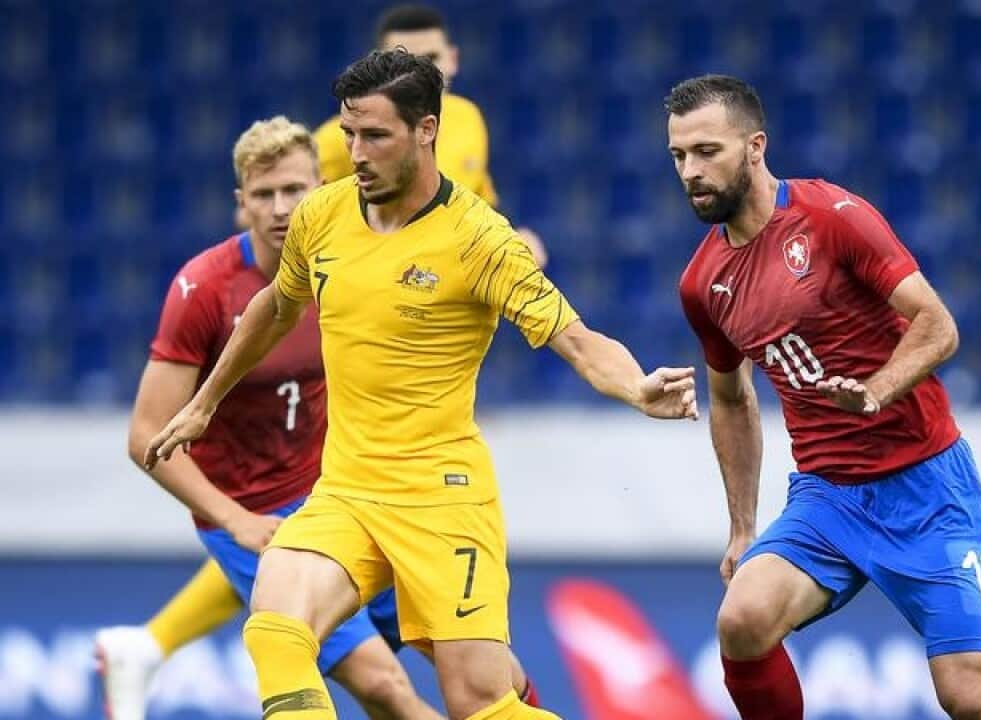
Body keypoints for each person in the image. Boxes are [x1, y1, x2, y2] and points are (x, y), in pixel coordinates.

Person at [145, 49, 697, 720]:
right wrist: (206, 404)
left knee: (481, 704)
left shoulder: (480, 240)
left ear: (426, 130)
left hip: (441, 500)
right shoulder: (323, 215)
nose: (356, 152)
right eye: (348, 134)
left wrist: (638, 388)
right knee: (276, 623)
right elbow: (275, 307)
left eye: (374, 135)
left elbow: (577, 341)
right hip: (347, 491)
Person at [668, 75, 981, 720]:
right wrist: (741, 527)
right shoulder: (703, 283)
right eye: (678, 156)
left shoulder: (832, 217)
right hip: (827, 497)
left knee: (971, 700)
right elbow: (731, 400)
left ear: (756, 146)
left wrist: (874, 393)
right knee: (743, 619)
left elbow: (938, 324)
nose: (690, 172)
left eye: (707, 152)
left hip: (926, 488)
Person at [96, 116, 444, 720]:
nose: (281, 208)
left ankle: (148, 644)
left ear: (324, 187)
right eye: (264, 195)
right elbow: (146, 436)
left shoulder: (351, 264)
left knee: (473, 657)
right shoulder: (204, 289)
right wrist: (237, 522)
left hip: (345, 497)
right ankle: (150, 644)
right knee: (384, 685)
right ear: (241, 206)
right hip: (254, 511)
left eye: (294, 190)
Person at [312, 3, 548, 268]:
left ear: (453, 60)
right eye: (405, 61)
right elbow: (296, 214)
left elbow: (481, 201)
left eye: (432, 58)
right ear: (380, 66)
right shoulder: (338, 139)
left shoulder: (468, 118)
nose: (420, 75)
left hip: (453, 280)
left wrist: (513, 237)